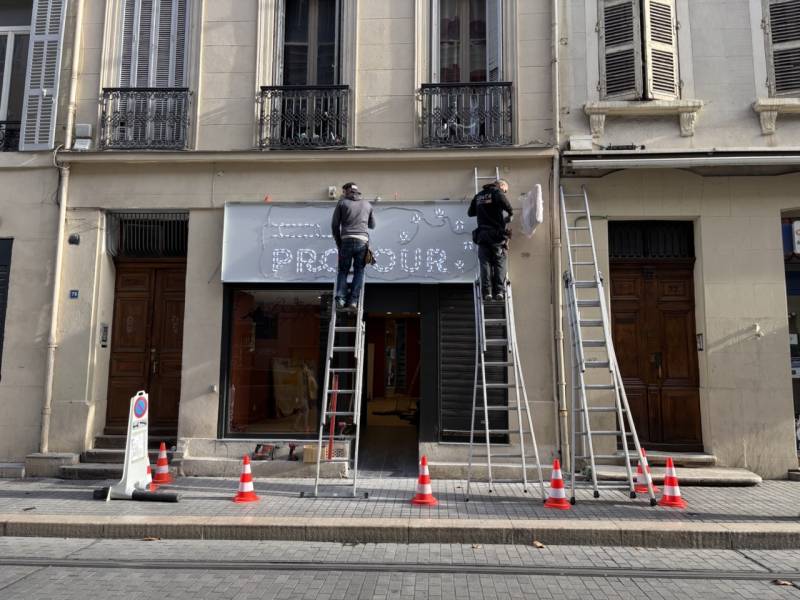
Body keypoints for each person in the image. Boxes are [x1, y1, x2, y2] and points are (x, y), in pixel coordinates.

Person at [331, 182, 375, 309]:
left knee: (343, 271)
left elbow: (334, 225)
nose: (342, 194)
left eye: (343, 192)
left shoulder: (342, 203)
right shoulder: (367, 204)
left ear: (347, 191)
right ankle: (354, 301)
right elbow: (373, 225)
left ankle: (340, 299)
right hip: (362, 241)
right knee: (359, 271)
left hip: (346, 240)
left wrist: (339, 242)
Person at [468, 179, 513, 302]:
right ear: (501, 185)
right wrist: (510, 213)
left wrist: (484, 210)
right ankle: (499, 291)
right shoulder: (497, 192)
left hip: (482, 235)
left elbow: (470, 213)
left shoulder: (478, 196)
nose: (505, 192)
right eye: (505, 190)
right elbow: (507, 205)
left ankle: (487, 292)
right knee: (499, 262)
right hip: (496, 235)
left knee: (485, 264)